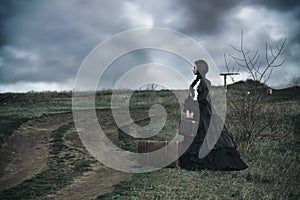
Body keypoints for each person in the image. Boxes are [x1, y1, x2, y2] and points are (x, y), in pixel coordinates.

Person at [179, 60, 248, 171]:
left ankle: (203, 162)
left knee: (201, 134)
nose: (193, 69)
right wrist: (188, 107)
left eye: (194, 67)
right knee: (197, 134)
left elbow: (198, 98)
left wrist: (191, 109)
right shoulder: (199, 81)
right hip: (199, 109)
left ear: (199, 69)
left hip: (200, 110)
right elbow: (193, 97)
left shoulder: (202, 82)